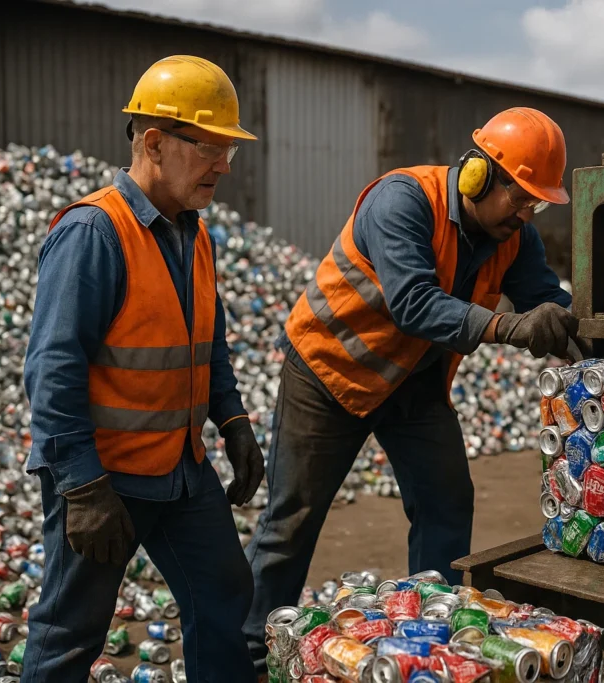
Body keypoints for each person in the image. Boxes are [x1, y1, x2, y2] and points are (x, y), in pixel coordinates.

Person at [243, 106, 582, 675]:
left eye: (538, 202)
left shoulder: (513, 237)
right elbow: (414, 303)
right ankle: (249, 653)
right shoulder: (402, 201)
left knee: (447, 501)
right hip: (330, 370)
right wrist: (507, 327)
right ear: (477, 174)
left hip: (414, 382)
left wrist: (580, 330)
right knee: (292, 519)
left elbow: (543, 298)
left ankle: (435, 642)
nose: (528, 213)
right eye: (521, 196)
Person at [21, 55, 265, 682]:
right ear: (154, 142)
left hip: (181, 472)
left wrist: (232, 418)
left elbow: (207, 342)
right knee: (71, 633)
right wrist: (81, 486)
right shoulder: (95, 232)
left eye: (228, 151)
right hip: (106, 481)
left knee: (224, 595)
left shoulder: (193, 231)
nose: (224, 166)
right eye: (210, 147)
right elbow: (53, 369)